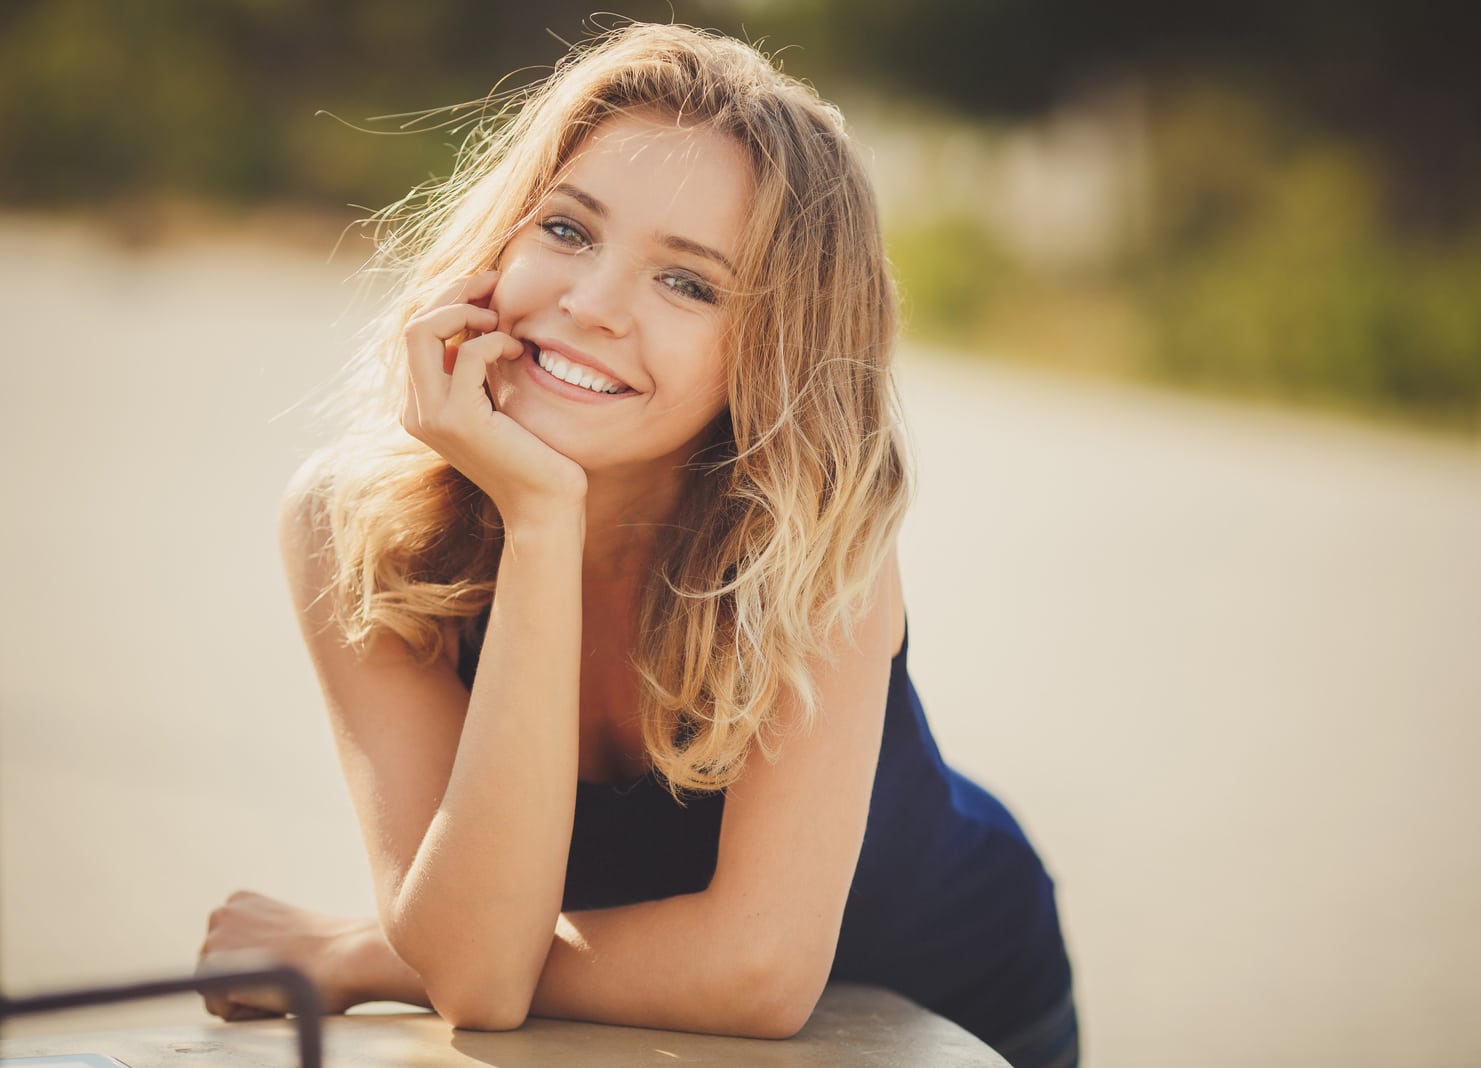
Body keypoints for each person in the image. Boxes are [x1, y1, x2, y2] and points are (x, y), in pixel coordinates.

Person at [197, 22, 1078, 1068]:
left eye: (688, 283)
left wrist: (372, 953)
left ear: (775, 353)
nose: (590, 306)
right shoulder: (359, 531)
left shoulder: (815, 537)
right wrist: (537, 519)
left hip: (955, 1004)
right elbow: (478, 978)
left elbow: (755, 974)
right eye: (567, 231)